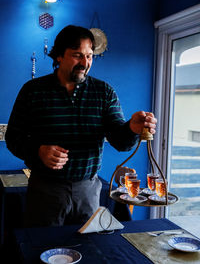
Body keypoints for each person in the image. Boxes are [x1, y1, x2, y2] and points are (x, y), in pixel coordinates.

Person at [5, 25, 157, 227]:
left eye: (90, 56)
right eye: (77, 55)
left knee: (88, 249)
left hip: (88, 191)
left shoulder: (104, 92)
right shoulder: (32, 91)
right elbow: (13, 137)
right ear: (59, 56)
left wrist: (132, 128)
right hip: (44, 190)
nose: (85, 63)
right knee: (41, 249)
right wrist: (38, 151)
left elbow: (120, 140)